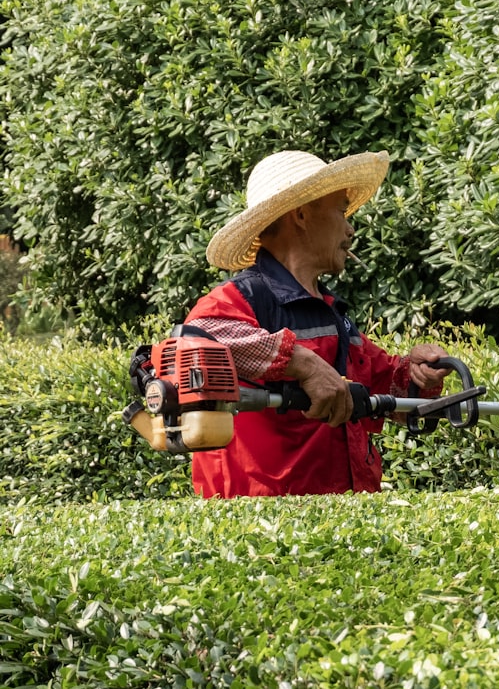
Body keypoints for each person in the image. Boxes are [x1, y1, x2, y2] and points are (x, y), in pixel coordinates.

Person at [183, 149, 451, 498]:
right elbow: (196, 343)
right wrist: (303, 363)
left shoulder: (329, 310)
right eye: (341, 210)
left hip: (345, 518)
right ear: (301, 214)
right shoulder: (240, 299)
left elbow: (380, 386)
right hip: (264, 531)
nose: (350, 228)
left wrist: (415, 374)